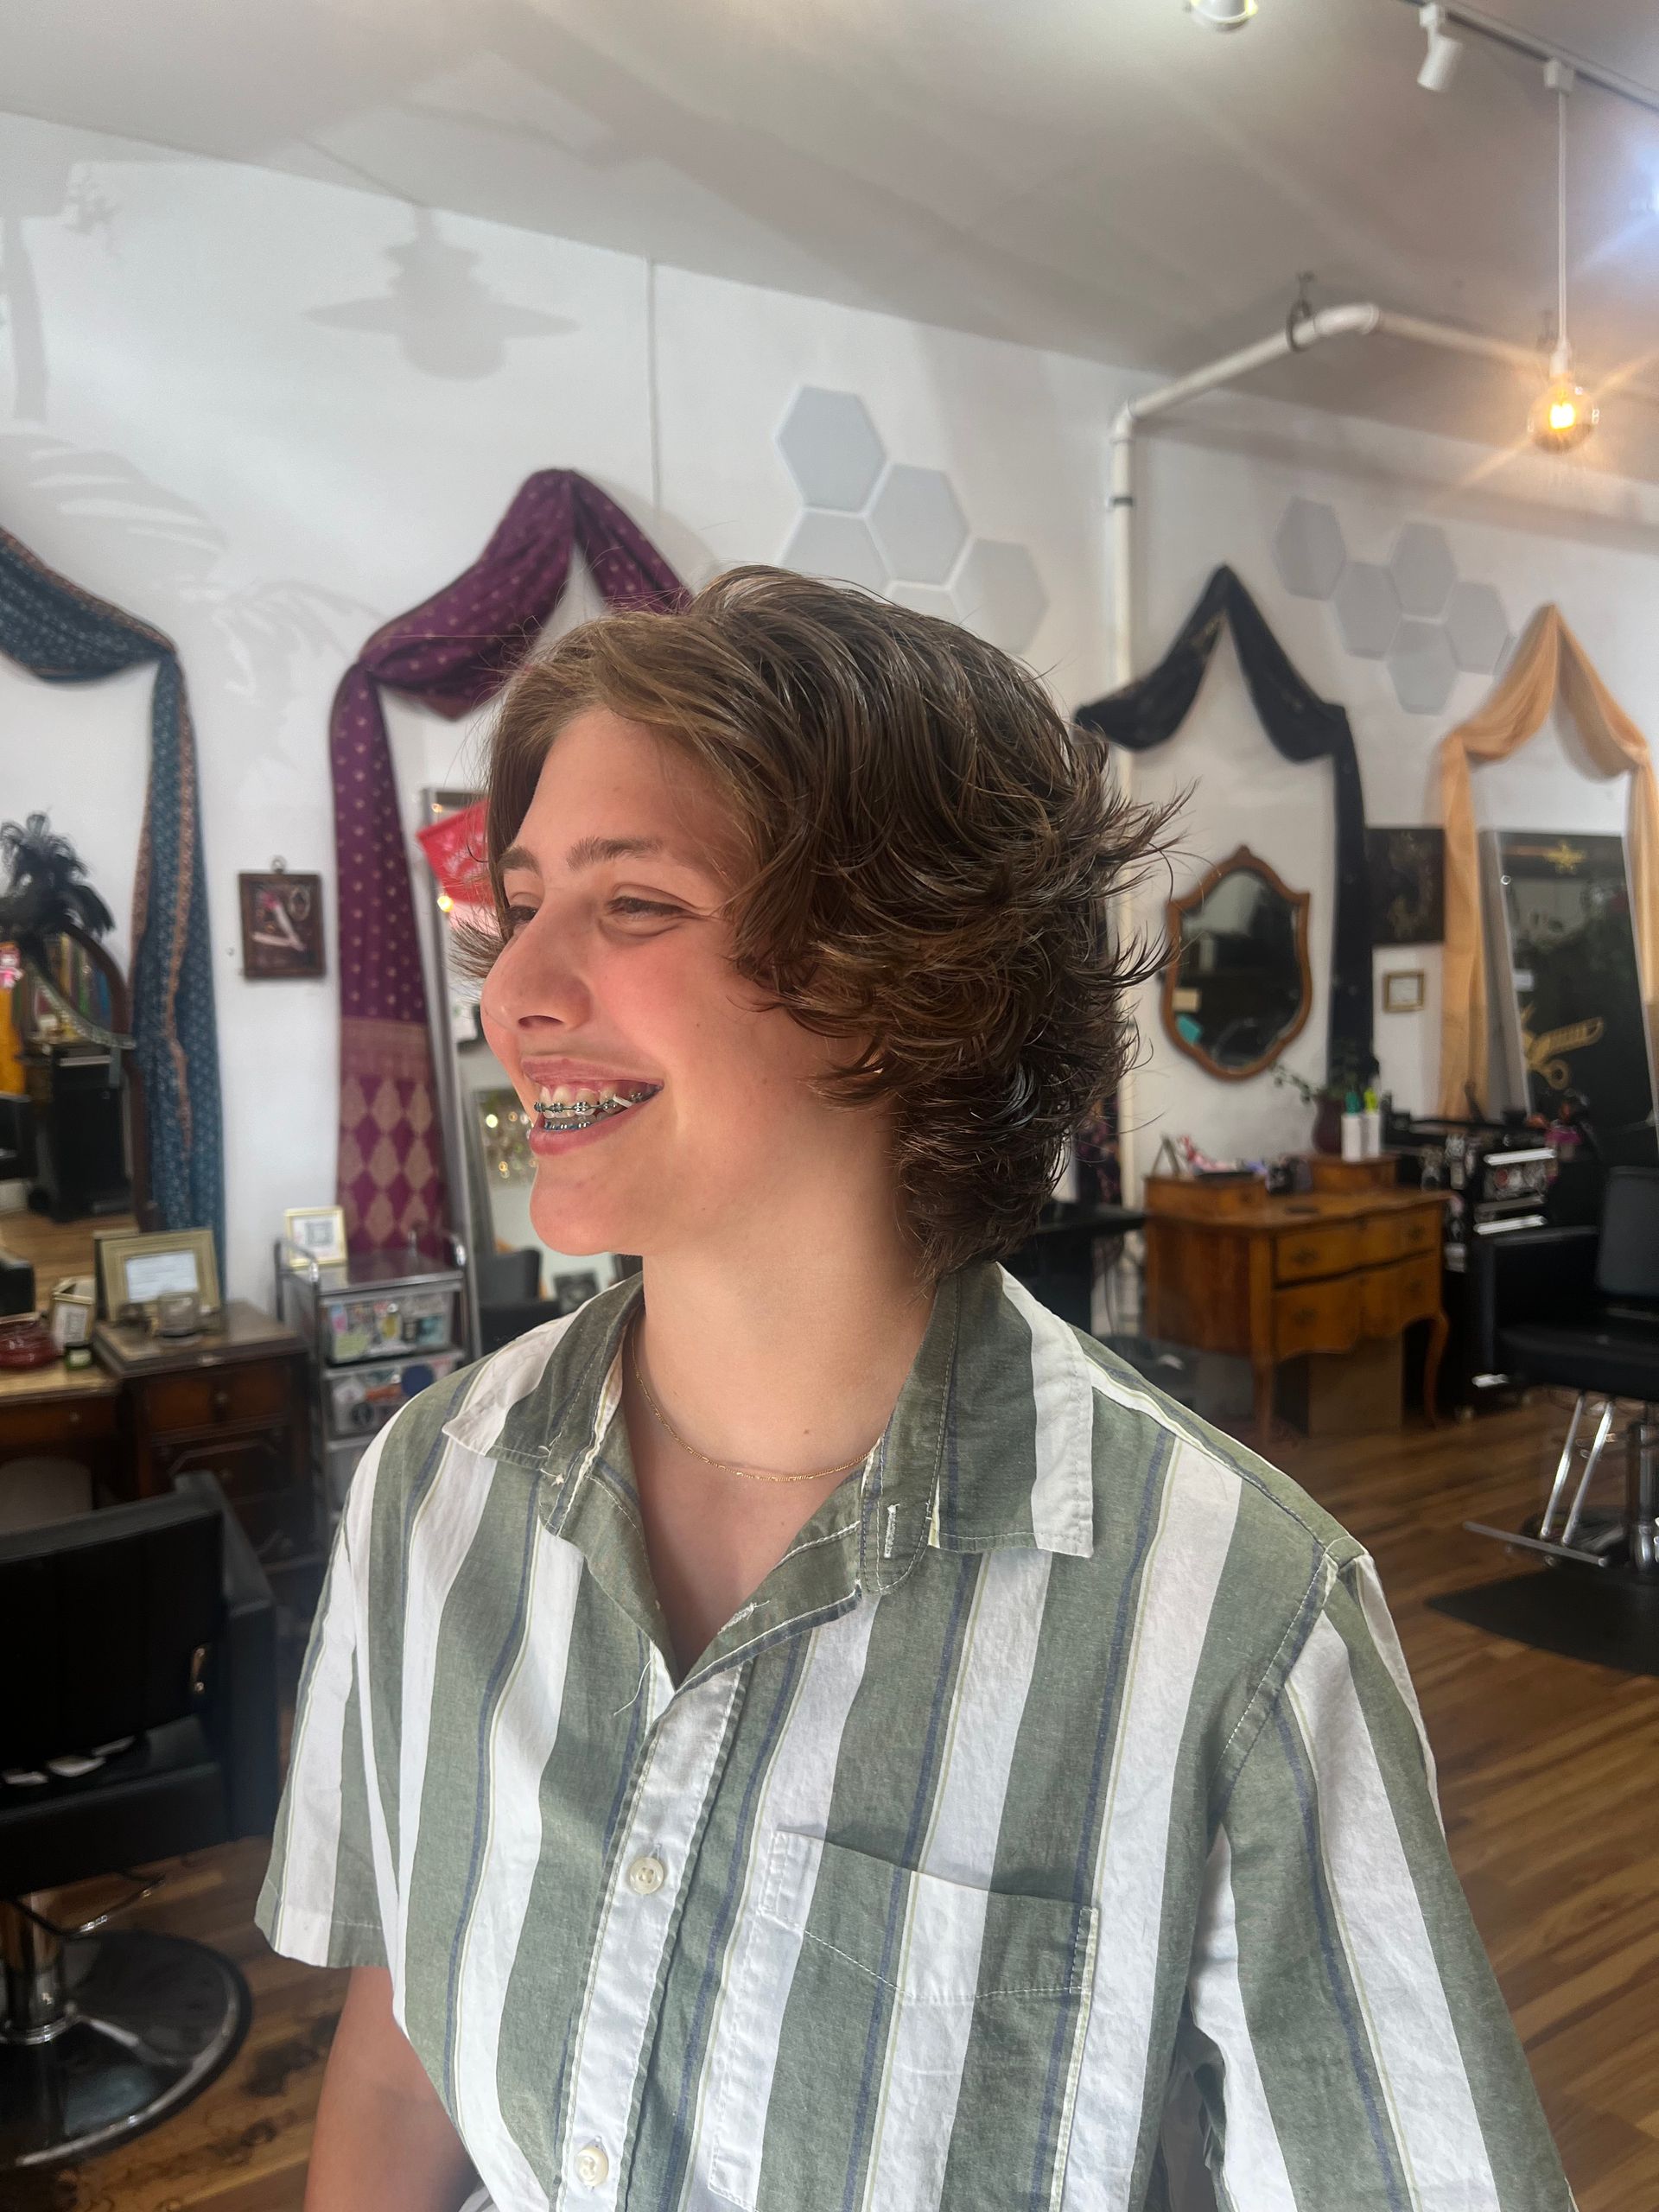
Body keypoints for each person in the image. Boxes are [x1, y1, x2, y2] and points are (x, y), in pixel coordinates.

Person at [259, 568, 1573, 2212]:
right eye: (518, 902)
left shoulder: (1235, 1622)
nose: (516, 991)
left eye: (634, 902)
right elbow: (399, 2062)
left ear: (906, 980)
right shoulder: (431, 1488)